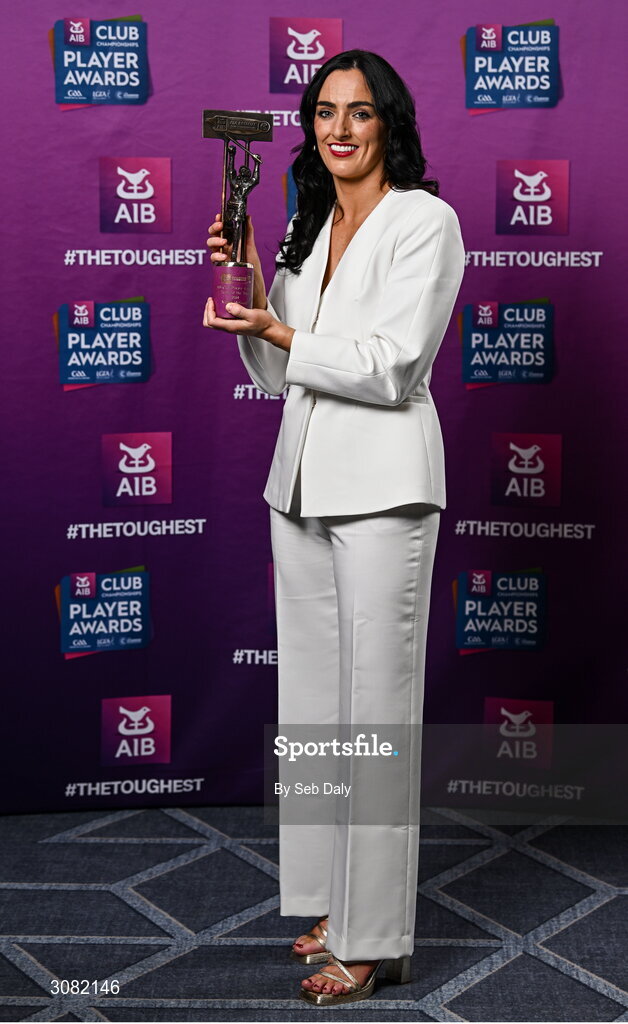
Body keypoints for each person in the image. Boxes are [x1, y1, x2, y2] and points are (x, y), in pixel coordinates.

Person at [203, 49, 465, 1006]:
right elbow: (279, 380)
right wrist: (247, 300)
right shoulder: (308, 228)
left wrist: (283, 335)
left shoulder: (424, 221)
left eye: (359, 112)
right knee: (317, 718)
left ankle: (377, 938)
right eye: (324, 112)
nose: (339, 129)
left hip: (385, 491)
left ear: (388, 122)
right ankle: (327, 904)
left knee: (376, 721)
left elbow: (392, 366)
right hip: (301, 490)